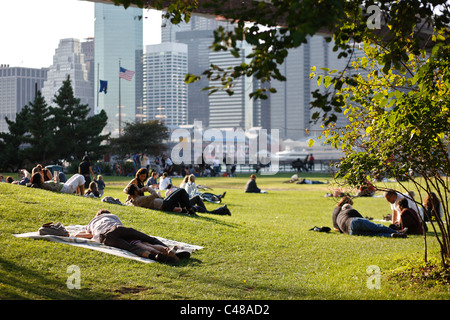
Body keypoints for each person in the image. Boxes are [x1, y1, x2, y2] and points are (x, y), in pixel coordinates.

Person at [75, 209, 189, 263]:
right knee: (148, 238)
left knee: (132, 248)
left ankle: (154, 257)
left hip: (104, 237)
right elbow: (121, 227)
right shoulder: (112, 215)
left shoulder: (91, 223)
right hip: (117, 228)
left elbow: (86, 235)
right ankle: (168, 250)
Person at [335, 204, 407, 238]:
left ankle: (391, 235)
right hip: (354, 222)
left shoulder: (338, 218)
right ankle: (397, 232)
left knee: (373, 234)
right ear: (348, 208)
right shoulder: (349, 210)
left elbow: (341, 231)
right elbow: (362, 219)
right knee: (377, 227)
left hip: (351, 232)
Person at [126, 184, 198, 216]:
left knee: (181, 195)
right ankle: (190, 210)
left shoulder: (137, 199)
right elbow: (154, 195)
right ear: (135, 191)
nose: (139, 188)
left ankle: (187, 209)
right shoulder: (139, 200)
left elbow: (155, 196)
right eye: (137, 188)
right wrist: (147, 188)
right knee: (181, 191)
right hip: (165, 205)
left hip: (164, 203)